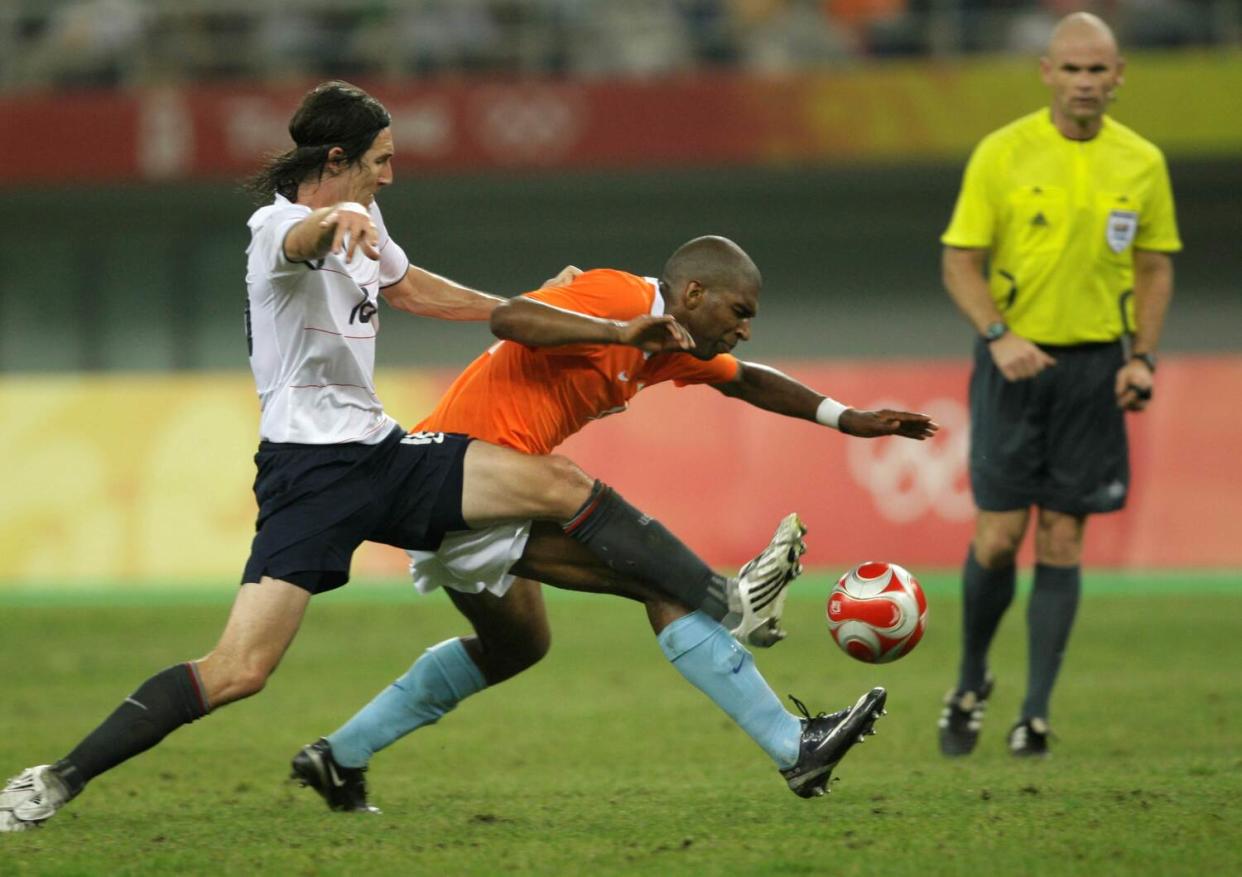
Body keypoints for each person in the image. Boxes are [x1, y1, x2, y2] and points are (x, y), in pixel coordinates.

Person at [0, 81, 846, 833]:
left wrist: (528, 304)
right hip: (307, 474)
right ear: (338, 160)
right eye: (381, 160)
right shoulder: (276, 228)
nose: (390, 175)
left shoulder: (371, 225)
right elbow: (302, 243)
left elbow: (413, 288)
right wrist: (336, 220)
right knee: (239, 670)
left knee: (556, 488)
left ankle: (721, 601)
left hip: (383, 452)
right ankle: (55, 778)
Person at [290, 234, 938, 811]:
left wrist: (846, 417)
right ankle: (789, 734)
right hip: (464, 474)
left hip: (474, 497)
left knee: (517, 645)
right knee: (660, 583)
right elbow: (511, 317)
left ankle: (340, 755)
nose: (744, 330)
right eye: (739, 312)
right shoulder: (621, 294)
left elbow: (746, 381)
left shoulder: (671, 346)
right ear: (692, 292)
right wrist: (616, 327)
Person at [936, 13, 1180, 758]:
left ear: (1119, 76)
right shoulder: (1002, 154)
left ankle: (1034, 713)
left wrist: (1142, 358)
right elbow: (960, 261)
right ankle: (972, 679)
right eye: (1071, 69)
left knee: (1066, 537)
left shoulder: (1142, 162)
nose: (1084, 83)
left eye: (1096, 71)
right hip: (1015, 363)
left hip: (1094, 370)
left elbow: (1154, 265)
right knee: (1001, 536)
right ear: (1046, 72)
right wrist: (999, 336)